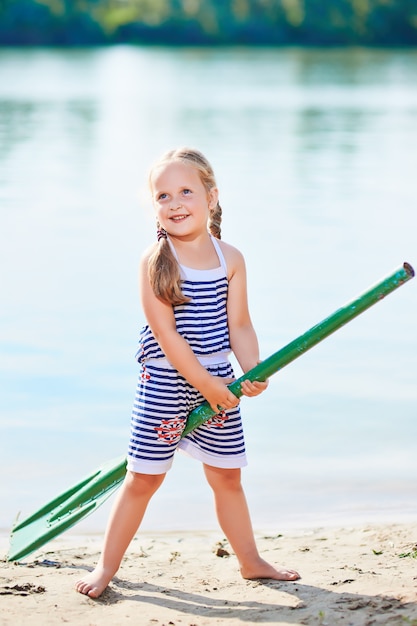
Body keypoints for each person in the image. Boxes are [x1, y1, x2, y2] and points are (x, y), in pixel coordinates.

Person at [75, 147, 300, 598]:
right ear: (153, 206)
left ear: (211, 197)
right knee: (144, 478)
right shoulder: (155, 262)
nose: (175, 202)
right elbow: (167, 338)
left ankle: (251, 561)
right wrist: (206, 386)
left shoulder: (230, 258)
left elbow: (239, 325)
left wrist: (253, 371)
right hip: (165, 383)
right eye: (163, 195)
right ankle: (105, 568)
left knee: (227, 476)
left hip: (218, 382)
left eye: (185, 191)